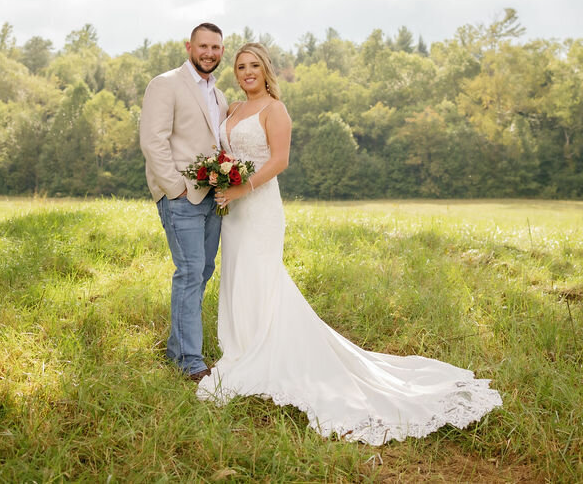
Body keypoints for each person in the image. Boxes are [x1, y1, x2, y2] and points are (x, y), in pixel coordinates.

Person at [199, 42, 503, 445]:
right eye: (240, 67)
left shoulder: (275, 109)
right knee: (237, 273)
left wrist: (242, 188)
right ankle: (241, 344)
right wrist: (220, 179)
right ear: (234, 73)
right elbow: (224, 152)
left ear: (266, 70)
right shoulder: (233, 108)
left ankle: (266, 350)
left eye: (254, 65)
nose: (247, 72)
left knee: (262, 274)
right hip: (233, 209)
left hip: (258, 206)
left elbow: (279, 160)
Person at [139, 23, 228, 382]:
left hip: (213, 197)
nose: (209, 53)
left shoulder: (218, 95)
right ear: (189, 46)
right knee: (190, 273)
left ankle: (176, 349)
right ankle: (190, 360)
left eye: (216, 48)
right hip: (181, 198)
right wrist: (174, 188)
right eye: (204, 46)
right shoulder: (166, 84)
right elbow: (152, 140)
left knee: (202, 272)